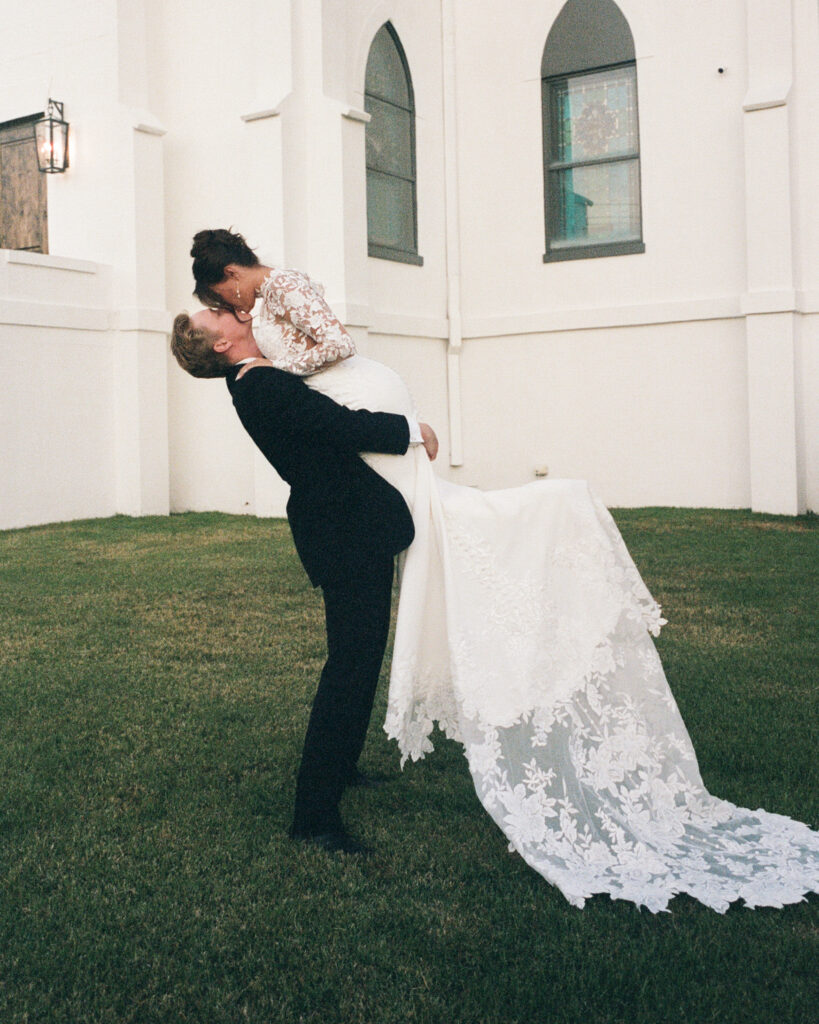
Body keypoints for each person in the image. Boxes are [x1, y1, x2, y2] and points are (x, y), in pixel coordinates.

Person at [171, 228, 819, 912]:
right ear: (218, 344)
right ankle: (313, 817)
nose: (219, 308)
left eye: (215, 302)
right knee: (349, 665)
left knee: (355, 658)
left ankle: (338, 768)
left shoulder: (260, 373)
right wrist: (406, 432)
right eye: (211, 314)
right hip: (343, 535)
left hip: (350, 525)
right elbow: (332, 424)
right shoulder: (258, 386)